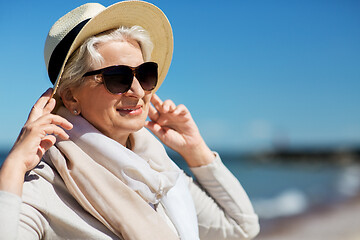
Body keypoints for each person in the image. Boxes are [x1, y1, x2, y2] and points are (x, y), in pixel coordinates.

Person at [0, 1, 259, 239]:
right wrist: (13, 168)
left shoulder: (158, 171)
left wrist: (195, 150)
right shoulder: (45, 186)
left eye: (145, 74)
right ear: (71, 97)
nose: (137, 91)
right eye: (118, 78)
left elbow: (241, 227)